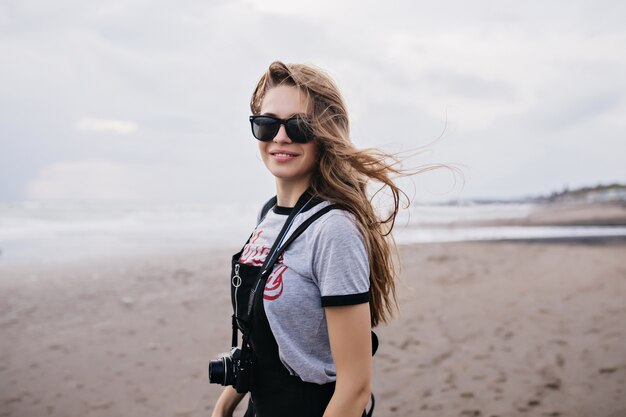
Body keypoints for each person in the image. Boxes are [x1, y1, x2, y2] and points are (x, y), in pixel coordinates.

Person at [211, 61, 418, 417]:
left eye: (299, 126)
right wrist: (223, 407)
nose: (280, 137)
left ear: (325, 134)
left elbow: (354, 390)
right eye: (267, 124)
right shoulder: (268, 218)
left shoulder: (334, 229)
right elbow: (258, 343)